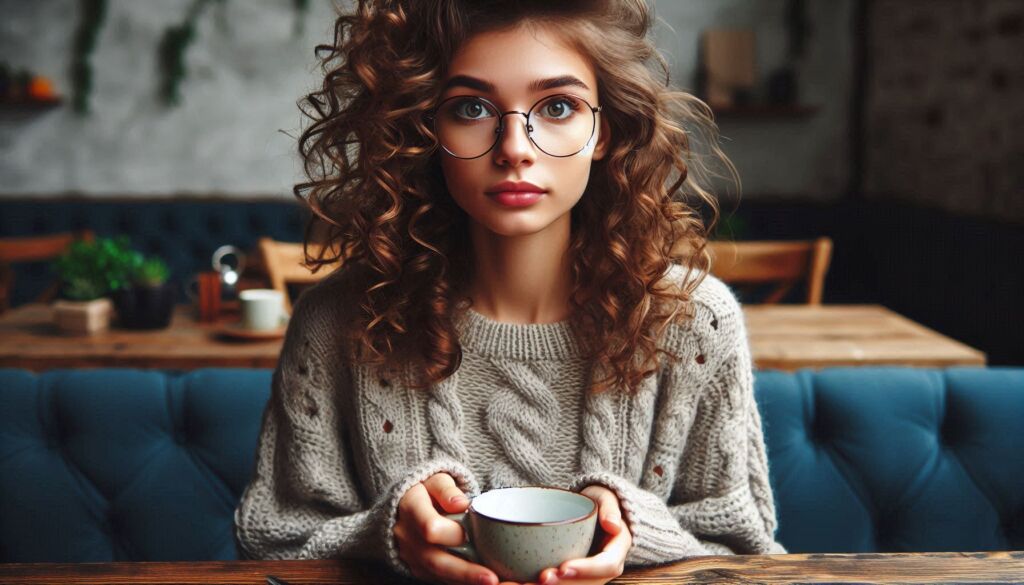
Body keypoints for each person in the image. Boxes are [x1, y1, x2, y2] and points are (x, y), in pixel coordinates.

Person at [234, 1, 786, 584]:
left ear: (604, 130)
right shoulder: (339, 323)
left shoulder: (695, 322)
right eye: (471, 107)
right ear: (423, 129)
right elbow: (272, 540)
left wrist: (633, 527)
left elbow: (747, 551)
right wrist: (384, 531)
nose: (514, 148)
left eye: (557, 106)